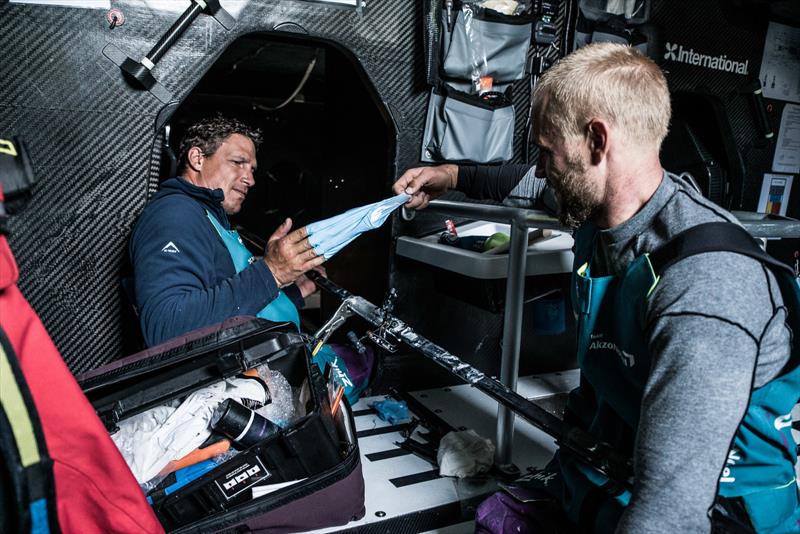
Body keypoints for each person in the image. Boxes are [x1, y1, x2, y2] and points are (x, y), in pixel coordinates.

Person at [394, 43, 799, 532]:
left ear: (597, 140)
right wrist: (449, 175)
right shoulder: (598, 209)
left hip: (715, 511)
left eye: (547, 152)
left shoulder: (705, 286)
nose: (541, 169)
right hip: (610, 468)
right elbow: (521, 182)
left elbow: (671, 513)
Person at [130, 115, 324, 347]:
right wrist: (272, 272)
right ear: (197, 159)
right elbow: (168, 326)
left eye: (252, 169)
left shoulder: (210, 218)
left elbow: (225, 302)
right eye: (237, 162)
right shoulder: (175, 214)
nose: (250, 179)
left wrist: (294, 292)